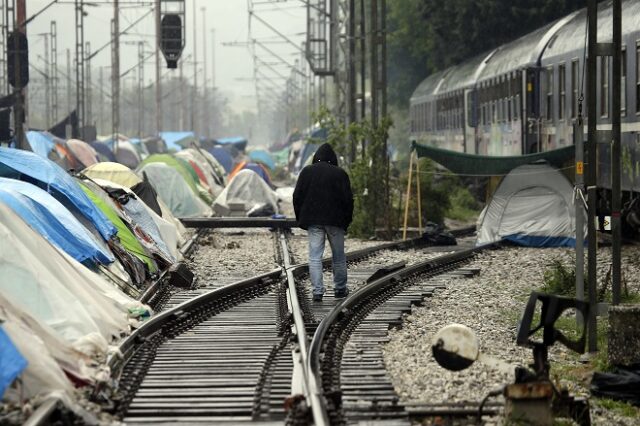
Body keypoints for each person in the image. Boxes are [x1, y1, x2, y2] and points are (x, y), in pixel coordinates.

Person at [293, 143, 353, 302]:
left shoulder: (306, 172)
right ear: (333, 158)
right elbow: (348, 200)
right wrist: (346, 221)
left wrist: (301, 218)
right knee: (339, 256)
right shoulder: (340, 174)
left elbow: (297, 197)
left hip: (314, 221)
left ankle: (317, 292)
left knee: (314, 257)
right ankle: (340, 289)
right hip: (336, 222)